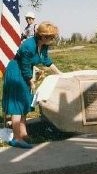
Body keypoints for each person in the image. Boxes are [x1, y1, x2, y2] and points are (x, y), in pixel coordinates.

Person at [2, 21, 62, 149]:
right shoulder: (28, 46)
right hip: (16, 73)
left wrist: (60, 73)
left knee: (24, 103)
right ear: (43, 36)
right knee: (17, 106)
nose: (53, 39)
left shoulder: (43, 46)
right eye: (51, 37)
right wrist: (30, 80)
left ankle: (24, 135)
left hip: (24, 72)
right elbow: (24, 66)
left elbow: (46, 60)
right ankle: (16, 139)